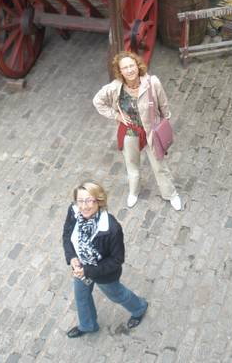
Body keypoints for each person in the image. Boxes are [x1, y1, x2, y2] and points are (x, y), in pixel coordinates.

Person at [93, 50, 182, 211]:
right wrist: (116, 116)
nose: (129, 70)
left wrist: (165, 124)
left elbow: (164, 105)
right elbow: (97, 101)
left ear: (137, 65)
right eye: (125, 67)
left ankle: (171, 194)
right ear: (120, 71)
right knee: (132, 164)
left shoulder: (152, 83)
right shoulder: (116, 87)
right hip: (130, 131)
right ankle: (134, 192)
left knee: (159, 166)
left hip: (151, 132)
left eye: (131, 65)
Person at [62, 180, 148, 338]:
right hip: (80, 267)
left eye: (89, 200)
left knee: (117, 295)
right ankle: (88, 325)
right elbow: (67, 234)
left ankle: (139, 308)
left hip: (102, 273)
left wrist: (87, 270)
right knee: (81, 297)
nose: (84, 206)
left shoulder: (112, 228)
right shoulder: (73, 211)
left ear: (99, 201)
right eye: (80, 200)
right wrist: (72, 257)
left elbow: (117, 260)